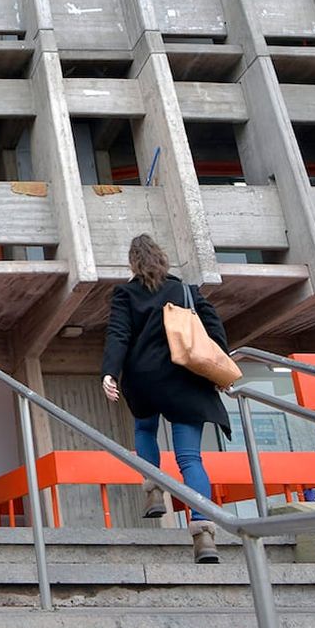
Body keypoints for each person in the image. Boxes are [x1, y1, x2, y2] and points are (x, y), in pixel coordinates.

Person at [101, 234, 231, 564]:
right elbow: (213, 325)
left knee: (145, 430)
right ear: (163, 259)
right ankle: (204, 535)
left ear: (132, 263)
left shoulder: (125, 293)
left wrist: (109, 373)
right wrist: (219, 366)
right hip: (185, 381)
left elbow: (118, 333)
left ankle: (154, 490)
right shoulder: (186, 290)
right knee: (190, 459)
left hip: (144, 381)